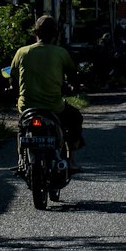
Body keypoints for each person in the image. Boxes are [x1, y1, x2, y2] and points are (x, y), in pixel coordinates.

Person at [10, 15, 84, 166]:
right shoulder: (61, 53)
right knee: (75, 118)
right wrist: (74, 88)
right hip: (54, 107)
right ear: (55, 35)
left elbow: (13, 79)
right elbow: (73, 76)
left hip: (27, 106)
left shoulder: (22, 52)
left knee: (21, 126)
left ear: (36, 33)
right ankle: (71, 159)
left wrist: (15, 92)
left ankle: (20, 158)